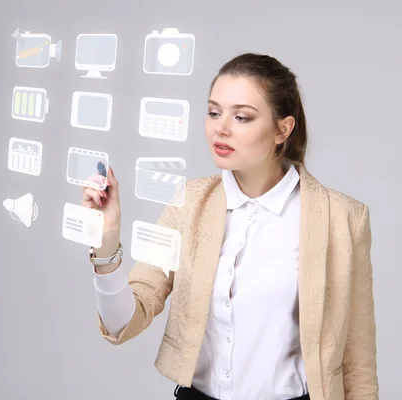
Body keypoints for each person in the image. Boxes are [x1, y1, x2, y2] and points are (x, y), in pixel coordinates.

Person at [82, 53, 379, 400]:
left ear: (284, 128)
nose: (221, 128)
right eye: (213, 112)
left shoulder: (342, 218)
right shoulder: (189, 203)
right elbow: (123, 322)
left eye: (242, 117)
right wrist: (105, 245)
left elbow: (358, 362)